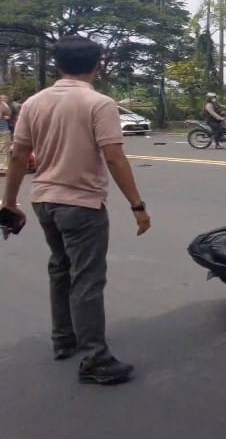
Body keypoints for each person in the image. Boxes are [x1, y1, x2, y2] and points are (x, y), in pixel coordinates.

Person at [1, 34, 151, 385]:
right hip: (81, 204)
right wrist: (137, 205)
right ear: (98, 64)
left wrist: (9, 203)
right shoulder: (99, 103)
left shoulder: (33, 103)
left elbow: (18, 155)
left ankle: (63, 339)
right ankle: (95, 358)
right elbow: (114, 156)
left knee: (60, 268)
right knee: (87, 278)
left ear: (58, 65)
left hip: (44, 202)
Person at [0, 94, 11, 174]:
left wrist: (4, 117)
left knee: (4, 149)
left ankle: (5, 167)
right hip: (3, 129)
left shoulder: (5, 106)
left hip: (4, 130)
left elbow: (8, 116)